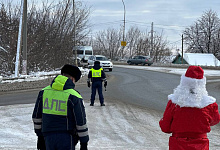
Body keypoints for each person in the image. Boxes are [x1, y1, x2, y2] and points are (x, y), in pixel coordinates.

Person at [159, 66, 220, 150]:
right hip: (201, 144)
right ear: (202, 85)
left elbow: (165, 128)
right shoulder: (209, 104)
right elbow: (214, 121)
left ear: (183, 83)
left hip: (178, 144)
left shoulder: (174, 102)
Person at [32, 64, 89, 150]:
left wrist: (40, 137)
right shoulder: (74, 96)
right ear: (72, 79)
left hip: (47, 137)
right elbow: (80, 121)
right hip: (67, 138)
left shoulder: (43, 92)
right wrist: (84, 142)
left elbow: (36, 117)